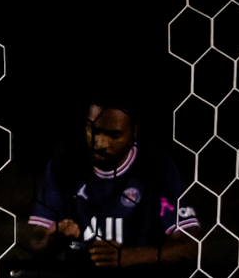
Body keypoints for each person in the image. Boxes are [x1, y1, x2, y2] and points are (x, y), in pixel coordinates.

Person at [25, 96, 199, 267]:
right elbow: (35, 242)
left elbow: (189, 246)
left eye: (114, 135)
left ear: (134, 131)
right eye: (94, 131)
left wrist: (131, 257)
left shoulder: (157, 166)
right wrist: (53, 239)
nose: (101, 143)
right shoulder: (65, 161)